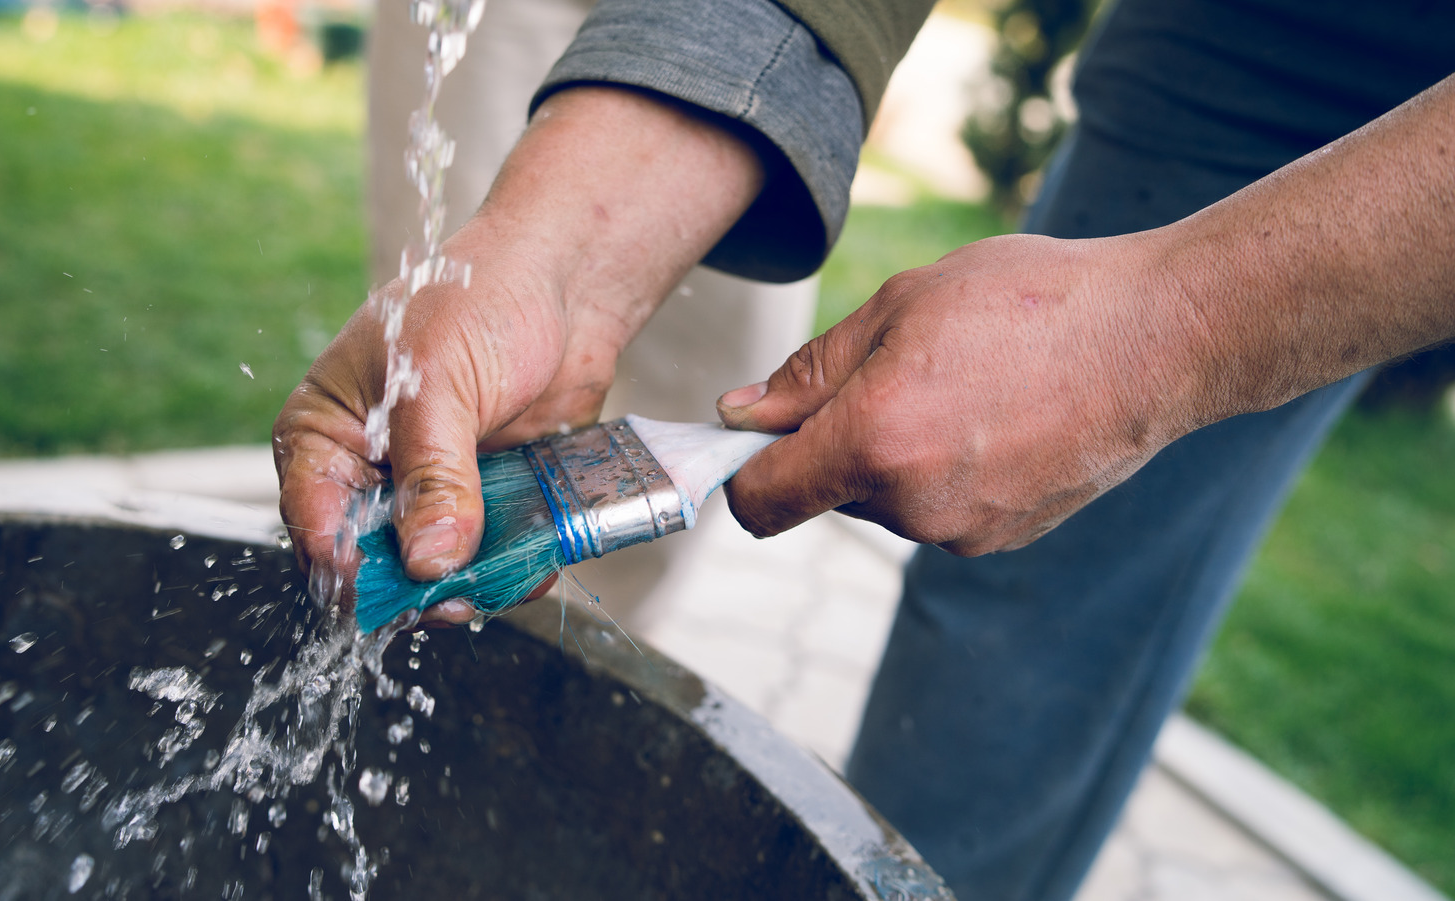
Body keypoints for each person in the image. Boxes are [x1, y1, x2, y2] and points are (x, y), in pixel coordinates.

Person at [274, 1, 1455, 898]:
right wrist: (554, 254)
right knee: (1011, 612)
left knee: (1064, 538)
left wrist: (1163, 331)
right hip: (1253, 30)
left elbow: (1148, 340)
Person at [362, 0, 818, 624]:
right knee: (454, 362)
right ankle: (418, 642)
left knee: (727, 359)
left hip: (780, 37)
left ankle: (572, 665)